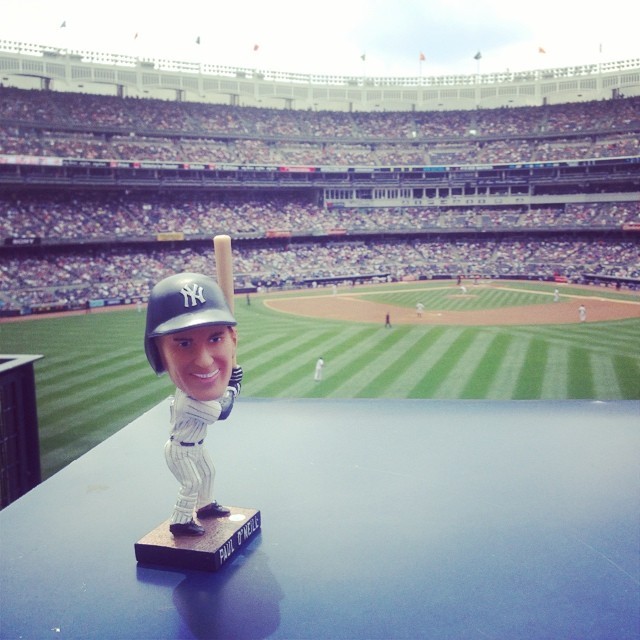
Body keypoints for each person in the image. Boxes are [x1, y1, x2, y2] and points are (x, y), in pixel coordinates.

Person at [144, 272, 243, 537]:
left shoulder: (191, 394)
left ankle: (205, 506)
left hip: (194, 446)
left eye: (215, 338)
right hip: (180, 450)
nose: (204, 361)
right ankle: (180, 521)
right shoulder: (189, 400)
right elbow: (223, 411)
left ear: (233, 339)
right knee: (191, 482)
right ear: (158, 353)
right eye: (184, 343)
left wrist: (232, 383)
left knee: (208, 471)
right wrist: (234, 386)